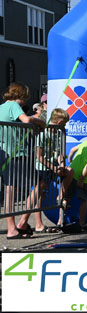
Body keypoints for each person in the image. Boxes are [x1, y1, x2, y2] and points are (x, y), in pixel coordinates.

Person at [0, 82, 47, 239]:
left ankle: (12, 229)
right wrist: (39, 122)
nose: (25, 102)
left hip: (5, 152)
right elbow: (26, 120)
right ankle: (22, 222)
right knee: (39, 183)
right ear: (19, 95)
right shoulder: (13, 105)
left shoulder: (1, 107)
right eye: (25, 98)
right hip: (17, 153)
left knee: (9, 191)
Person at [31, 108, 72, 231]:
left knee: (70, 171)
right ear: (59, 123)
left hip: (54, 166)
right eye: (64, 123)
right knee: (40, 192)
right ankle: (38, 224)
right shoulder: (43, 134)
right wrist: (54, 168)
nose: (65, 126)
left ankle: (61, 197)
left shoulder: (59, 134)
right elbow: (39, 156)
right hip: (42, 167)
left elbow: (60, 154)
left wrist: (61, 165)